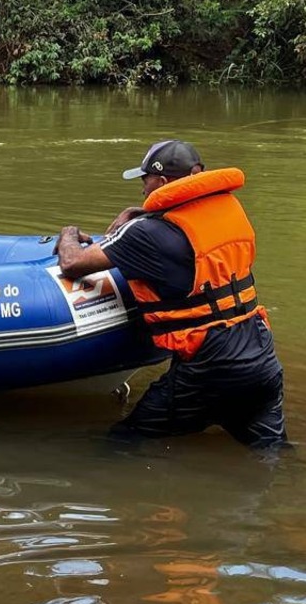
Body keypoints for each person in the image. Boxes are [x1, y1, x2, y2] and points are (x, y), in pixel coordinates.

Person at [55, 139, 287, 448]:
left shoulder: (146, 233)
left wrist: (68, 233)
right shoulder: (228, 209)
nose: (142, 188)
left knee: (121, 445)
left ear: (162, 181)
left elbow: (73, 264)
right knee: (271, 453)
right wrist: (137, 218)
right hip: (261, 356)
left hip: (211, 367)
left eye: (144, 179)